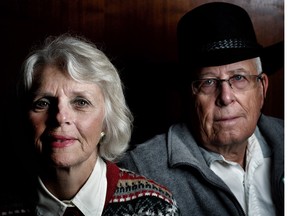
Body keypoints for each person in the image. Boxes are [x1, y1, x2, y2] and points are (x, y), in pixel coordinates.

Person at [118, 2, 284, 216]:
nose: (225, 97)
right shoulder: (139, 172)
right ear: (188, 95)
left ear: (261, 88)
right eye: (208, 82)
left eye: (239, 78)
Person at [9, 34, 180, 216]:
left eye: (80, 102)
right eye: (43, 103)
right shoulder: (6, 204)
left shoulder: (154, 207)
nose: (60, 117)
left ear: (107, 121)